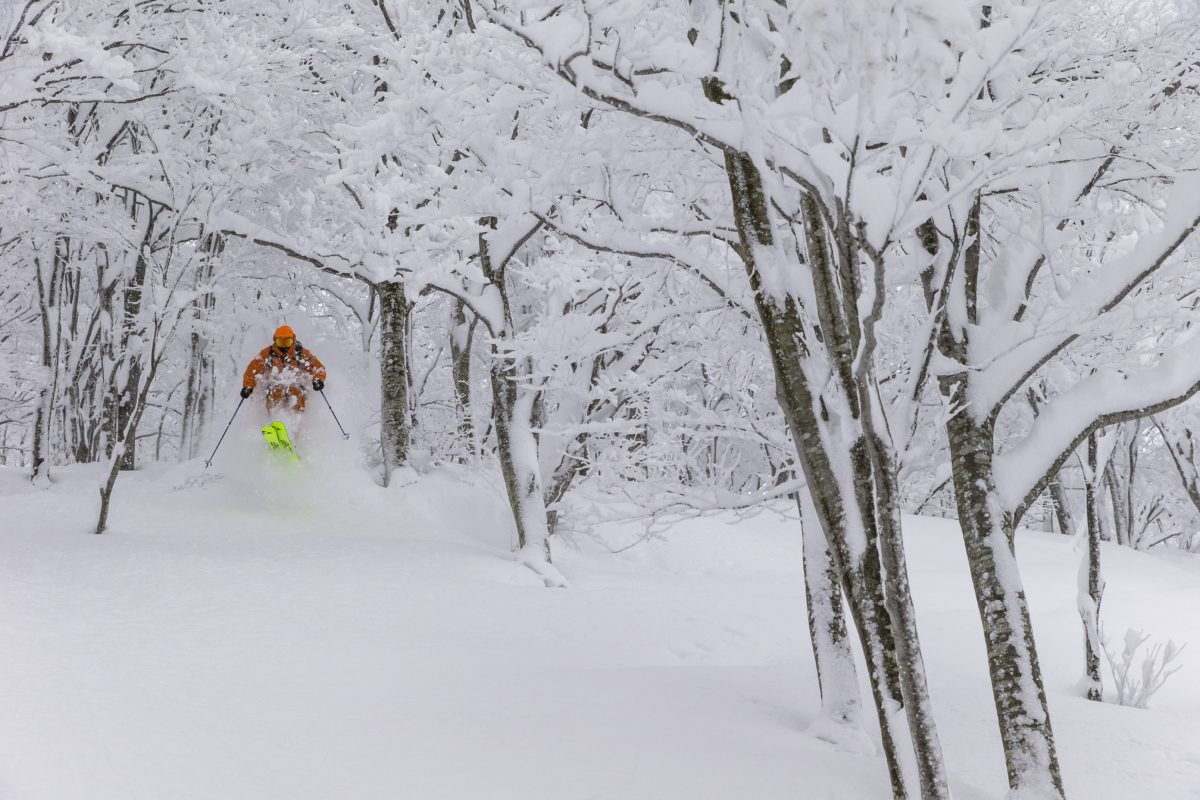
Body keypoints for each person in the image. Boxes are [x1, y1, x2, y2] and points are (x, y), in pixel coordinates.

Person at [240, 325, 327, 414]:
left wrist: (318, 380)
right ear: (275, 340)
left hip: (296, 384)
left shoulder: (300, 353)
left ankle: (297, 419)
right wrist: (248, 387)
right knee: (276, 391)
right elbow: (252, 371)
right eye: (280, 342)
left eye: (287, 342)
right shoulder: (268, 354)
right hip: (275, 384)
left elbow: (318, 367)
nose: (284, 346)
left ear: (292, 340)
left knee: (295, 391)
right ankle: (274, 420)